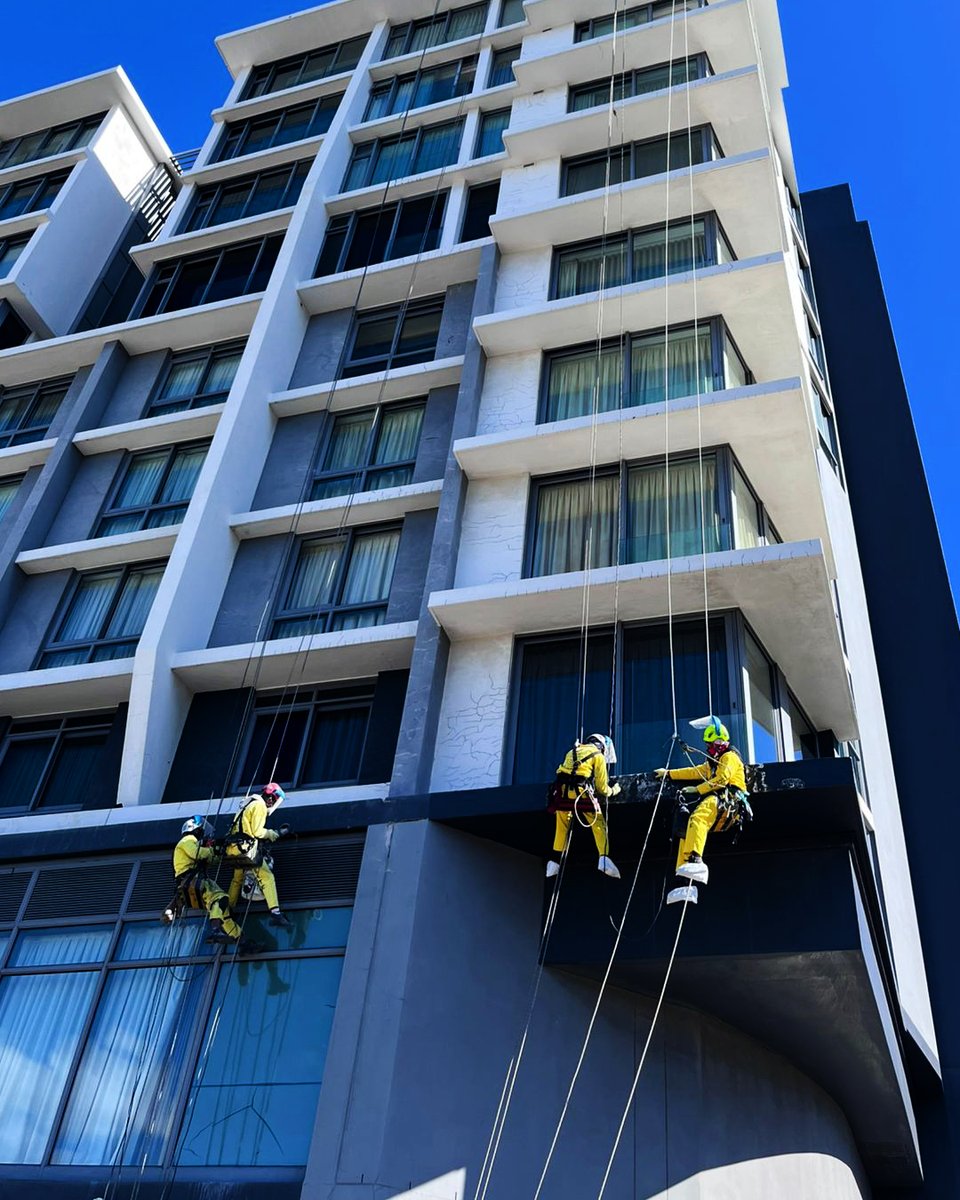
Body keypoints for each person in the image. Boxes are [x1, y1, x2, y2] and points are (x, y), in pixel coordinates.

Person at [656, 716, 746, 904]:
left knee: (698, 818)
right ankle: (684, 881)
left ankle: (696, 860)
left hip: (727, 799)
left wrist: (698, 789)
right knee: (685, 831)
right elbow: (694, 771)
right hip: (719, 800)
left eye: (711, 745)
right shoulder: (712, 763)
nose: (709, 749)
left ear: (721, 743)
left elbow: (722, 779)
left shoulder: (730, 757)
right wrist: (669, 774)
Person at [166, 815, 260, 953]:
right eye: (200, 830)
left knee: (224, 912)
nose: (202, 833)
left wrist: (217, 850)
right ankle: (216, 929)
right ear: (194, 829)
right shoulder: (187, 840)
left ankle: (243, 942)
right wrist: (212, 850)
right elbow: (197, 853)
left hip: (193, 881)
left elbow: (209, 859)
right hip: (192, 880)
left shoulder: (192, 843)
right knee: (221, 898)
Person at [547, 734, 622, 880]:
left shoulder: (572, 751)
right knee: (598, 823)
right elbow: (602, 788)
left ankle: (554, 862)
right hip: (582, 794)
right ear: (601, 746)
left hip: (562, 794)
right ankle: (604, 858)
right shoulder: (597, 756)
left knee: (562, 826)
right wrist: (615, 790)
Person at [225, 782, 293, 928]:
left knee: (237, 880)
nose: (272, 804)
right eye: (274, 800)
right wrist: (272, 834)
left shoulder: (248, 804)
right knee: (267, 876)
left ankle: (227, 913)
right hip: (246, 850)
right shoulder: (260, 806)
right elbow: (257, 831)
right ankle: (275, 913)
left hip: (233, 849)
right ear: (271, 798)